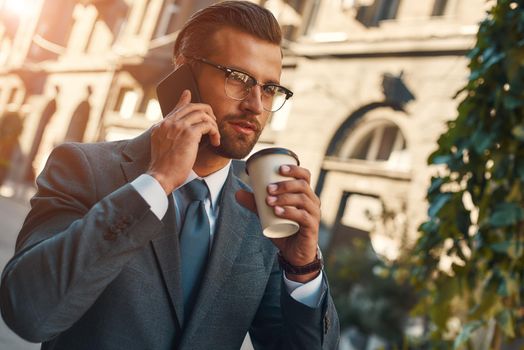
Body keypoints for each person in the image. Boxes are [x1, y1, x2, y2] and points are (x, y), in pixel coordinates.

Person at [0, 2, 339, 349]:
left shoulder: (261, 215)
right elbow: (29, 313)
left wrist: (303, 269)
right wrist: (155, 183)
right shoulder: (83, 167)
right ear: (183, 74)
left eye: (269, 89)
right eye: (238, 78)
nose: (255, 104)